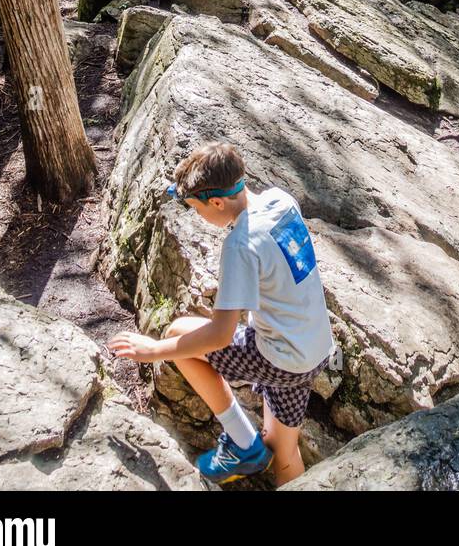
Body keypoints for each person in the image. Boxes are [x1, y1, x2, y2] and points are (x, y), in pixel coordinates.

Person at [108, 141, 334, 488]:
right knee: (283, 450)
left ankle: (242, 442)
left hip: (281, 357)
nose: (197, 214)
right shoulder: (280, 200)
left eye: (195, 207)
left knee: (176, 334)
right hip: (315, 348)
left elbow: (219, 336)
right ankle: (266, 459)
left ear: (216, 202)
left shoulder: (240, 246)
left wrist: (151, 351)